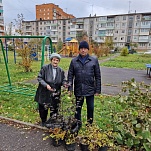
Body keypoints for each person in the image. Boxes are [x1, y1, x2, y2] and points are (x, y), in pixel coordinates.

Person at [67, 40, 101, 129]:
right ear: (79, 50)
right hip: (79, 89)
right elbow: (70, 75)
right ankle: (78, 124)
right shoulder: (74, 61)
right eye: (81, 48)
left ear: (88, 50)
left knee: (90, 108)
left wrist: (98, 89)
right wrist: (70, 89)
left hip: (90, 89)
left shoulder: (93, 60)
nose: (83, 50)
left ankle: (89, 125)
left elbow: (98, 76)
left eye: (85, 48)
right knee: (77, 108)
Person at [34, 53, 66, 127]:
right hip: (44, 92)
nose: (55, 62)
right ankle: (43, 121)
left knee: (54, 108)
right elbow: (40, 78)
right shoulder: (45, 68)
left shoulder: (61, 71)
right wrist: (46, 85)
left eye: (57, 60)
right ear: (51, 60)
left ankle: (52, 122)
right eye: (54, 60)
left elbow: (63, 80)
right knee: (43, 108)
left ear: (59, 61)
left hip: (55, 92)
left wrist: (64, 84)